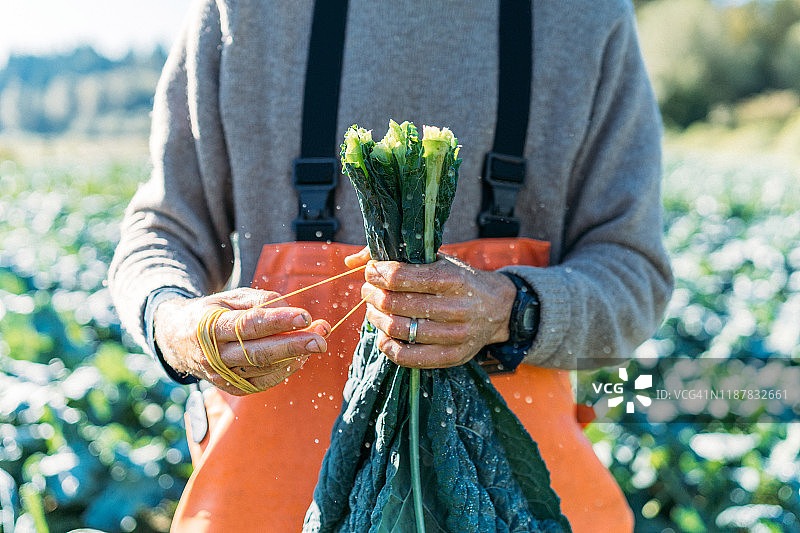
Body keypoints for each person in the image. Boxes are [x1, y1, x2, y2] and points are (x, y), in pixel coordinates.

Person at [109, 1, 673, 531]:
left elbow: (634, 272)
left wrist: (510, 309)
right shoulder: (246, 12)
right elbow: (163, 231)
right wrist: (178, 328)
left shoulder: (585, 16)